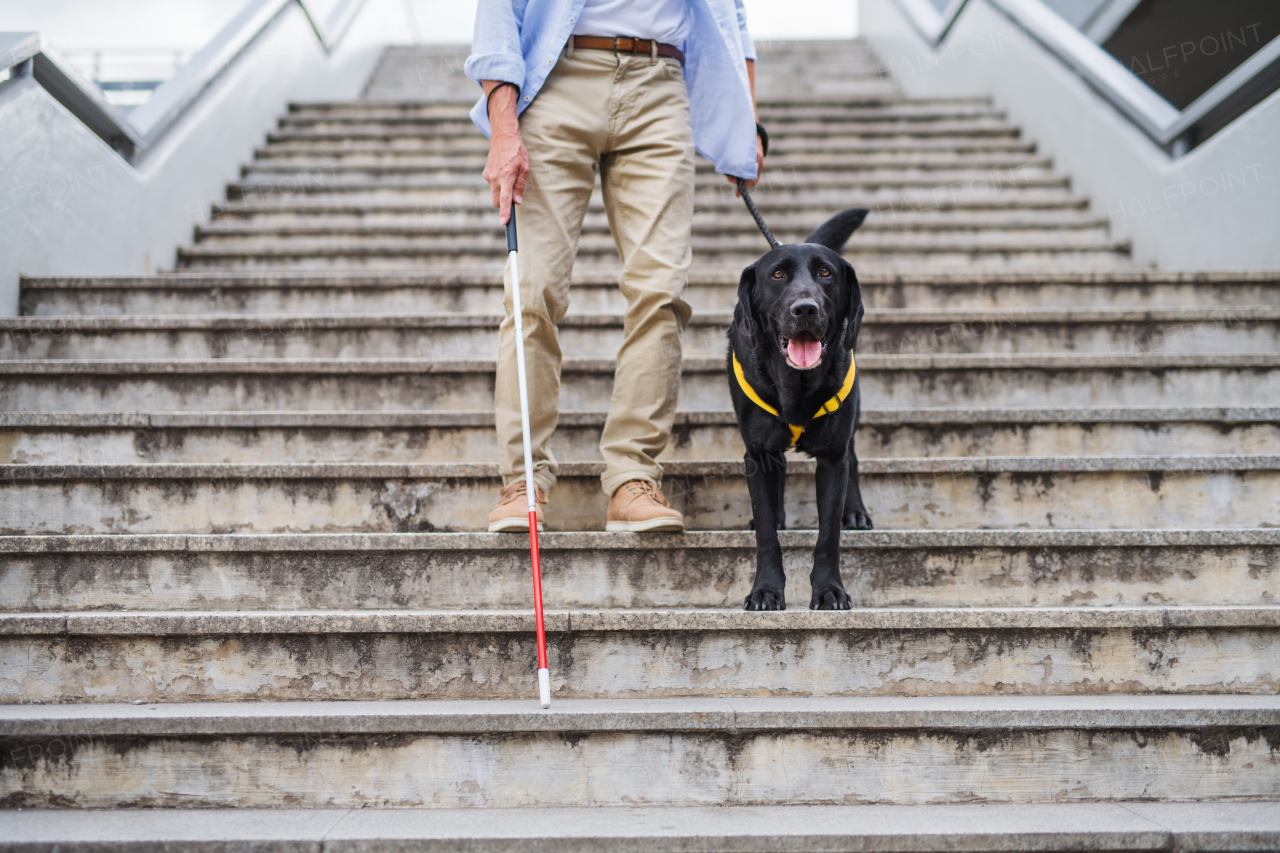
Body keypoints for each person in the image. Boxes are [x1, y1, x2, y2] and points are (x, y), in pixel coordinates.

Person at [467, 0, 767, 533]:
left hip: (661, 82)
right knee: (531, 288)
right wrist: (503, 125)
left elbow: (733, 14)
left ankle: (633, 477)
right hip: (558, 76)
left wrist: (747, 119)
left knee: (661, 289)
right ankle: (523, 481)